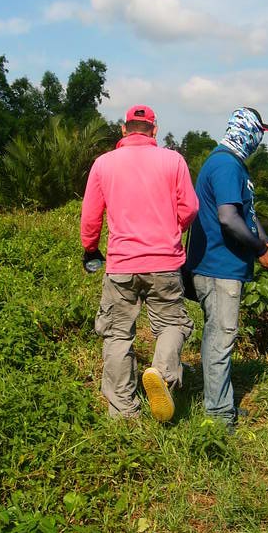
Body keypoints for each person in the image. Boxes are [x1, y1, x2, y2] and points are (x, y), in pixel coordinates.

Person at [80, 104, 199, 422]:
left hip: (121, 264)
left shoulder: (104, 164)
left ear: (123, 129)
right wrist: (172, 228)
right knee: (171, 324)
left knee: (118, 333)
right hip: (164, 262)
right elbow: (189, 207)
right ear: (155, 130)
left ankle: (123, 410)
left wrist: (90, 249)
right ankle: (161, 373)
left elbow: (91, 216)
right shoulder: (173, 160)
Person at [186, 107, 268, 428]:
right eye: (258, 134)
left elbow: (248, 217)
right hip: (218, 269)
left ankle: (222, 404)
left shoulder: (230, 164)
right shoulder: (226, 165)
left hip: (223, 269)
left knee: (219, 336)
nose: (258, 142)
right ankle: (217, 418)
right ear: (246, 132)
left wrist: (267, 247)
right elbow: (229, 219)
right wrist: (259, 250)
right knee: (221, 339)